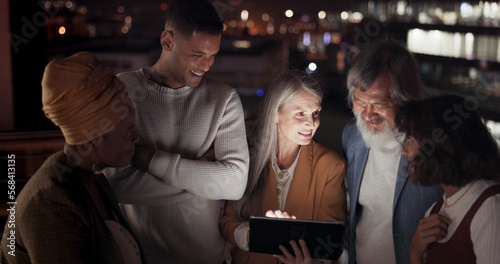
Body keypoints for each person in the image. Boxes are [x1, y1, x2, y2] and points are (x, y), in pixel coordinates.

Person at [103, 0, 250, 263]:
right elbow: (115, 185)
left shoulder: (224, 99)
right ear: (167, 41)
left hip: (208, 259)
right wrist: (203, 179)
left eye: (212, 55)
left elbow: (235, 184)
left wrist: (147, 159)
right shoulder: (122, 91)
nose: (206, 66)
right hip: (139, 259)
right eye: (197, 54)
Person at [0, 52, 146, 264]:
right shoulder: (50, 207)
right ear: (94, 139)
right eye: (128, 131)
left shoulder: (93, 179)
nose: (136, 138)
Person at [220, 69, 347, 264]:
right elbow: (227, 222)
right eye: (300, 113)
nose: (311, 123)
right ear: (275, 114)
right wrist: (254, 234)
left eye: (315, 113)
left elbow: (331, 241)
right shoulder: (246, 156)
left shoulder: (331, 165)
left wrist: (309, 262)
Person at [341, 38, 444, 264]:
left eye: (379, 104)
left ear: (405, 98)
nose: (368, 115)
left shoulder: (435, 142)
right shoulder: (352, 135)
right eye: (360, 101)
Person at [393, 95, 500, 264]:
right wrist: (415, 253)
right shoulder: (436, 209)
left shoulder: (490, 208)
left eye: (412, 140)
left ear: (440, 146)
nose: (404, 151)